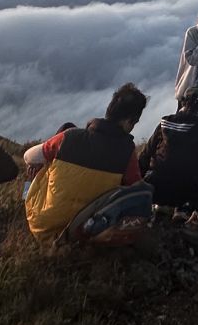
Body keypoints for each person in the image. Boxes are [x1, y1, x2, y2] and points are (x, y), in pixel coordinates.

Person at [24, 83, 147, 243]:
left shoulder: (69, 137)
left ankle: (24, 198)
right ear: (129, 121)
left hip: (43, 227)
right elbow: (135, 187)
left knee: (42, 162)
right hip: (87, 231)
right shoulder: (127, 151)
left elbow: (29, 157)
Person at [139, 86, 198, 210]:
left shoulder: (164, 124)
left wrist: (135, 186)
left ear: (182, 102)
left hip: (155, 190)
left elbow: (144, 156)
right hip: (185, 194)